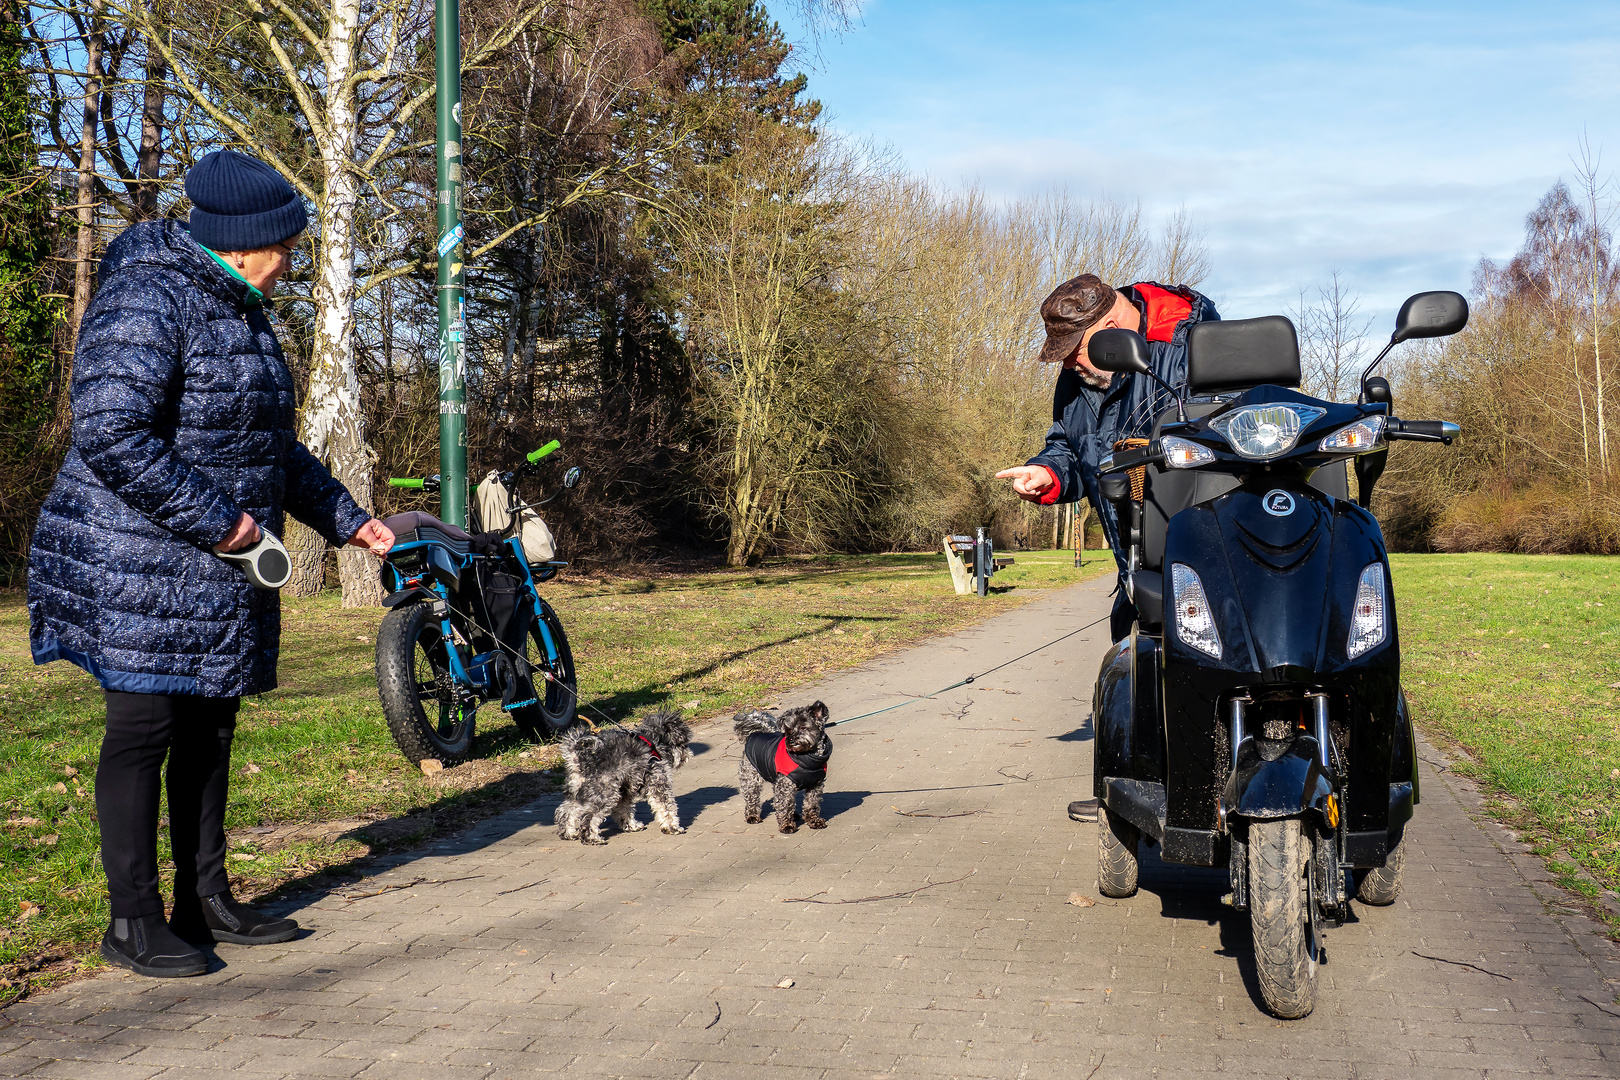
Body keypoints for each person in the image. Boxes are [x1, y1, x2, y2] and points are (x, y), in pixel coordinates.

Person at [27, 151, 396, 978]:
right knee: (146, 728)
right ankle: (131, 922)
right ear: (244, 241)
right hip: (134, 561)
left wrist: (349, 522)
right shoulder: (146, 296)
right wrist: (224, 525)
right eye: (287, 245)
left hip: (213, 567)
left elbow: (271, 446)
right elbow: (111, 433)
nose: (293, 259)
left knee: (209, 725)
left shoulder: (242, 310)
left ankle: (205, 898)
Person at [993, 274, 1219, 822]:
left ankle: (1221, 791)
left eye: (1075, 352)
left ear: (1112, 330)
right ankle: (1135, 796)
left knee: (1205, 682)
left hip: (1204, 557)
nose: (1069, 366)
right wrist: (1047, 474)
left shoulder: (1189, 352)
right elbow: (1067, 446)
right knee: (1135, 679)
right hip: (1135, 563)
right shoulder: (1076, 384)